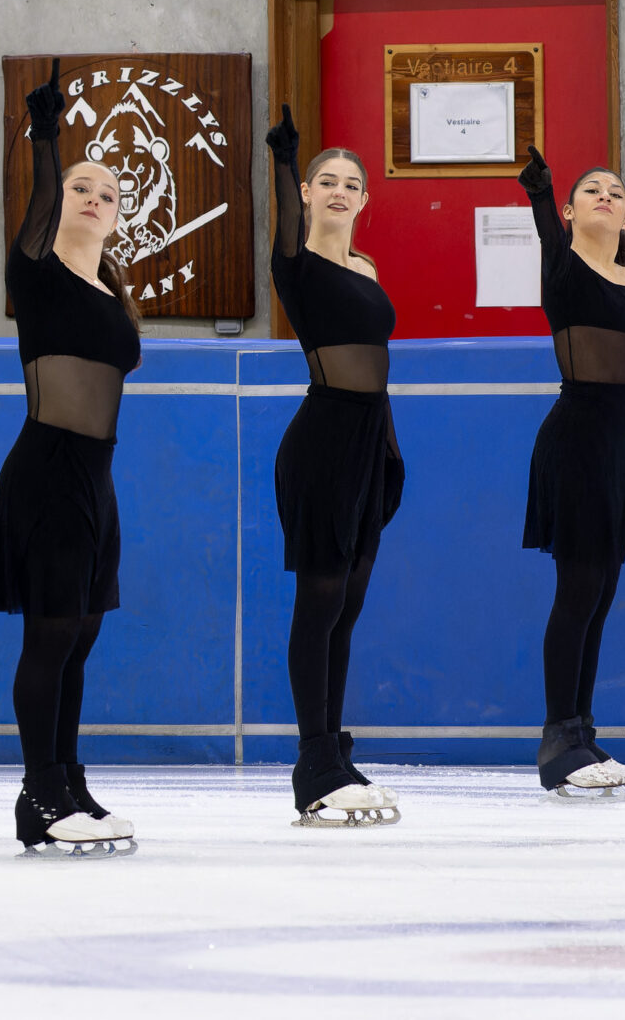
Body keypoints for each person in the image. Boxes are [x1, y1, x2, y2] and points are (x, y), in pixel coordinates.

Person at [0, 64, 139, 855]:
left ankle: (69, 781)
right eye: (82, 186)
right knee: (48, 639)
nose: (93, 197)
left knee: (80, 638)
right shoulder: (36, 272)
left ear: (119, 215)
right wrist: (47, 140)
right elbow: (42, 204)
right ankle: (38, 793)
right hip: (46, 470)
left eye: (107, 192)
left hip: (96, 479)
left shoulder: (113, 289)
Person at [265, 106, 402, 828]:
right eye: (327, 181)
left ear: (365, 198)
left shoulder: (367, 267)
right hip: (321, 445)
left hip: (369, 448)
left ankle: (334, 752)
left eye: (352, 183)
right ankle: (312, 763)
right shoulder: (295, 260)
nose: (340, 190)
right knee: (318, 605)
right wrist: (285, 161)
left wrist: (389, 450)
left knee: (347, 608)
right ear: (309, 194)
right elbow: (288, 225)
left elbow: (379, 366)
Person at [517, 147, 625, 798]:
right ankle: (558, 741)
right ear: (569, 211)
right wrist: (540, 193)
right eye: (591, 190)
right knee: (578, 590)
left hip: (613, 450)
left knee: (601, 593)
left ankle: (583, 732)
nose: (605, 195)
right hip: (574, 441)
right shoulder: (563, 264)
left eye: (615, 192)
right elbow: (547, 236)